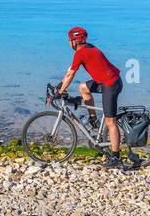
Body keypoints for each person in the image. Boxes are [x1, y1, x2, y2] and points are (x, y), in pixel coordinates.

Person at [57, 26, 137, 169]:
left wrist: (60, 91)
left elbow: (71, 74)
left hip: (111, 85)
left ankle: (115, 157)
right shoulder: (87, 48)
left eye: (69, 41)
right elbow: (70, 70)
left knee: (110, 121)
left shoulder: (80, 54)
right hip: (107, 81)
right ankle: (93, 120)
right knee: (83, 88)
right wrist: (60, 86)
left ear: (74, 41)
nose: (69, 43)